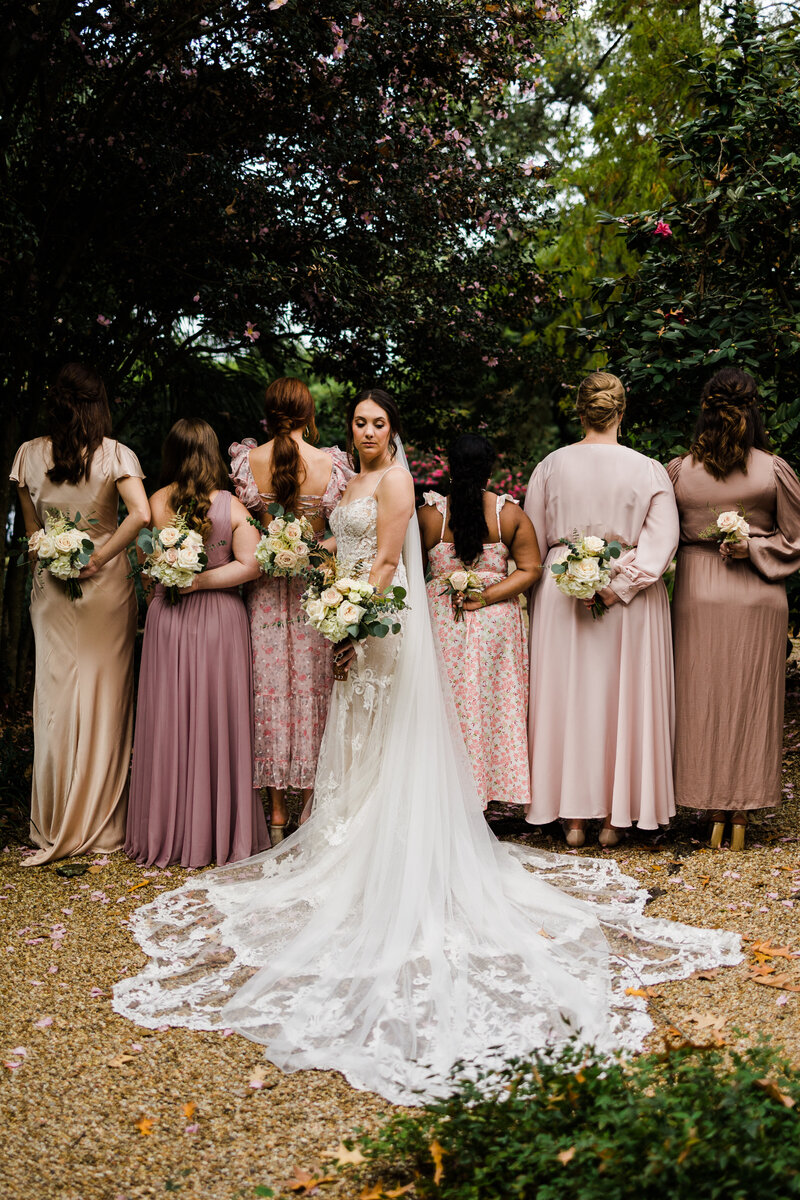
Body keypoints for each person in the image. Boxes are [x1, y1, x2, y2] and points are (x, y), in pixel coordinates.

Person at [112, 389, 738, 1108]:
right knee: (352, 734)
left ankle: (392, 846)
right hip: (344, 610)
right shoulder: (348, 478)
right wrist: (323, 584)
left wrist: (351, 620)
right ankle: (348, 836)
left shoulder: (401, 482)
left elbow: (384, 561)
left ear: (393, 432)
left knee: (383, 728)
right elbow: (337, 543)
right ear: (346, 428)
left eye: (378, 423)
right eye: (359, 422)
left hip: (377, 622)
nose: (368, 431)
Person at [524, 372, 679, 847]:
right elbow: (661, 541)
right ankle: (616, 817)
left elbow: (533, 534)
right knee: (622, 696)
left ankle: (570, 818)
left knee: (567, 697)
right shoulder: (648, 469)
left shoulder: (551, 466)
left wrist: (573, 576)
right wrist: (619, 585)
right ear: (622, 411)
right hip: (628, 600)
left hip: (562, 592)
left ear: (579, 409)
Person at [10, 362, 149, 865]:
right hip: (105, 586)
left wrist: (53, 557)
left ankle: (51, 822)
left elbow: (30, 534)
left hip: (50, 588)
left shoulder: (27, 455)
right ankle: (99, 823)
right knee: (104, 695)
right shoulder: (116, 455)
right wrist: (98, 557)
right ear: (99, 405)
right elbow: (141, 515)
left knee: (55, 696)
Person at [125, 418, 269, 869]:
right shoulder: (232, 506)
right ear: (211, 456)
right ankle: (218, 831)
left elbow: (145, 563)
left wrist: (182, 578)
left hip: (168, 617)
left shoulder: (156, 502)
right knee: (216, 718)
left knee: (169, 718)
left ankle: (167, 830)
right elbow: (252, 565)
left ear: (171, 454)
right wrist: (206, 580)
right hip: (220, 621)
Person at [668, 368, 800, 850]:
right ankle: (740, 812)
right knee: (751, 699)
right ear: (755, 409)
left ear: (705, 409)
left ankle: (708, 806)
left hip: (698, 594)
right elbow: (796, 539)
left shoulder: (680, 472)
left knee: (699, 697)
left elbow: (660, 540)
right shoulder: (773, 468)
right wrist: (758, 546)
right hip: (758, 595)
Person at [229, 378, 353, 840]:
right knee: (312, 695)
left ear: (269, 413)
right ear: (308, 412)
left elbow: (246, 530)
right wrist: (314, 547)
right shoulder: (331, 465)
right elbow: (343, 532)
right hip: (313, 596)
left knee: (271, 694)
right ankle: (307, 812)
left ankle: (276, 816)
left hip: (263, 596)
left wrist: (274, 542)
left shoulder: (246, 462)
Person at [419, 433, 540, 810]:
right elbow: (530, 568)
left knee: (445, 705)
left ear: (450, 469)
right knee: (491, 707)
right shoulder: (510, 515)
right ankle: (486, 793)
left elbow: (411, 571)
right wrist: (487, 596)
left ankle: (444, 793)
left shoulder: (429, 517)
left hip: (442, 621)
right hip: (495, 626)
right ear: (490, 470)